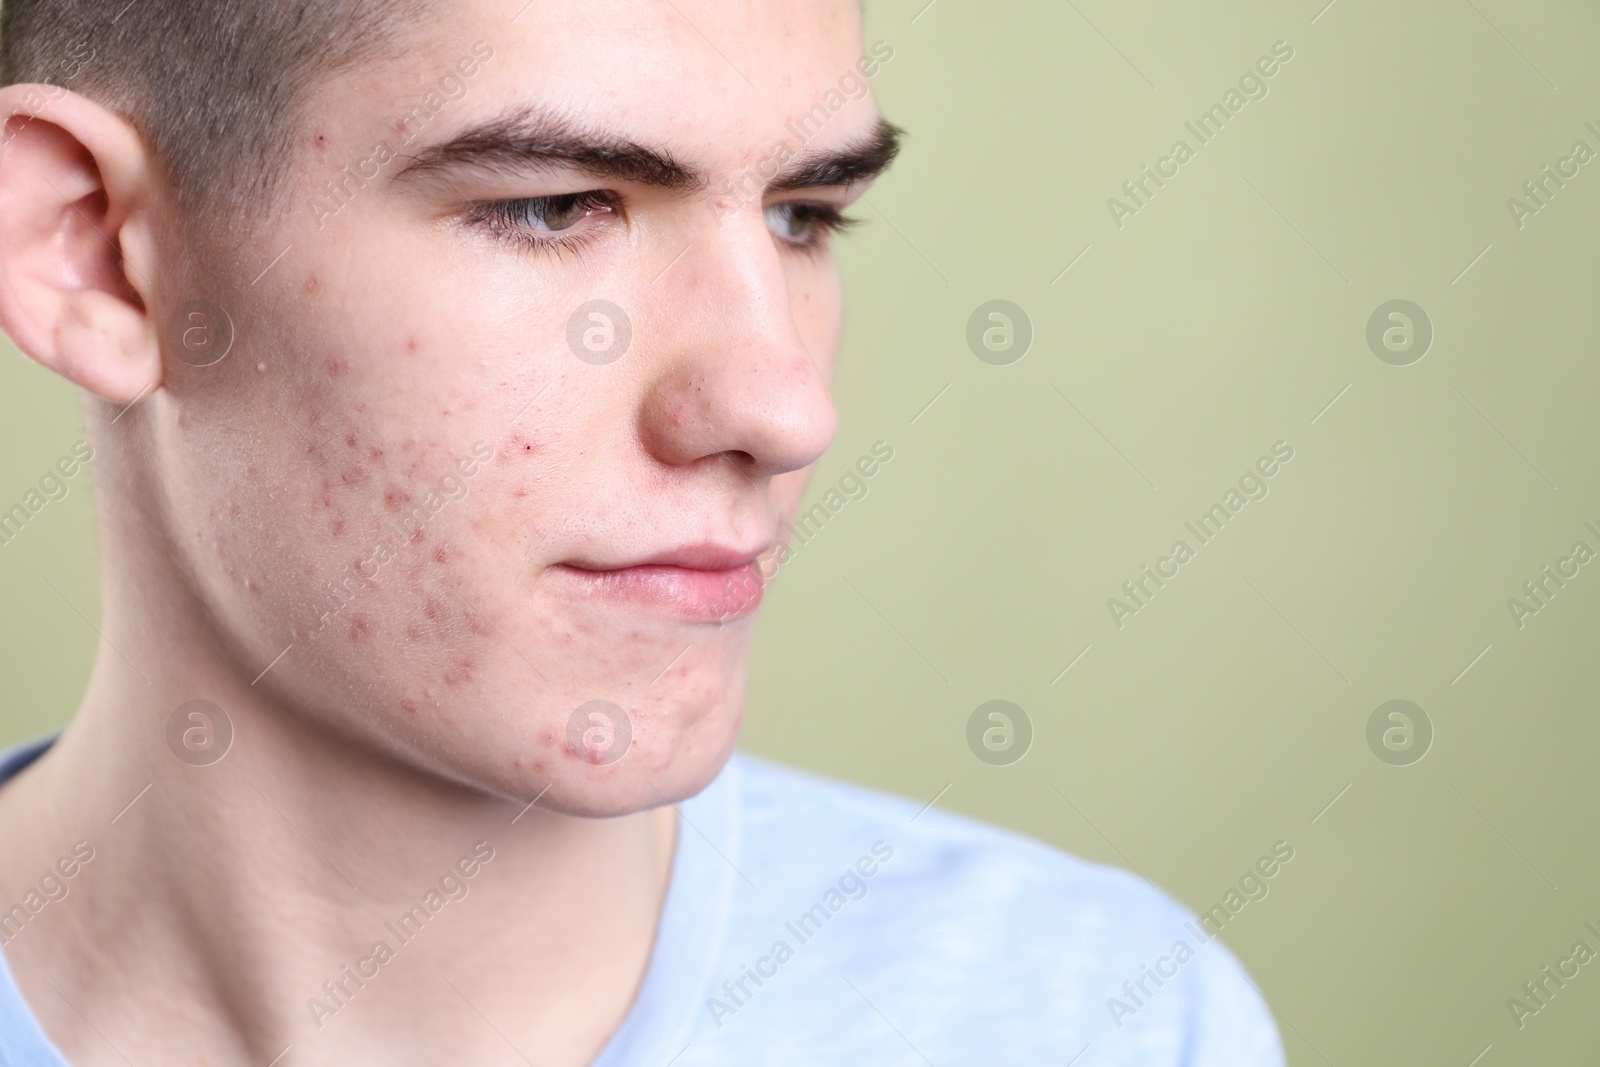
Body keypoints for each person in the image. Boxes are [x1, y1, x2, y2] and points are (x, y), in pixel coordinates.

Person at [0, 0, 1284, 1063]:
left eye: (803, 214)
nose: (784, 406)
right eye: (557, 205)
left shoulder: (1109, 1018)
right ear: (98, 254)